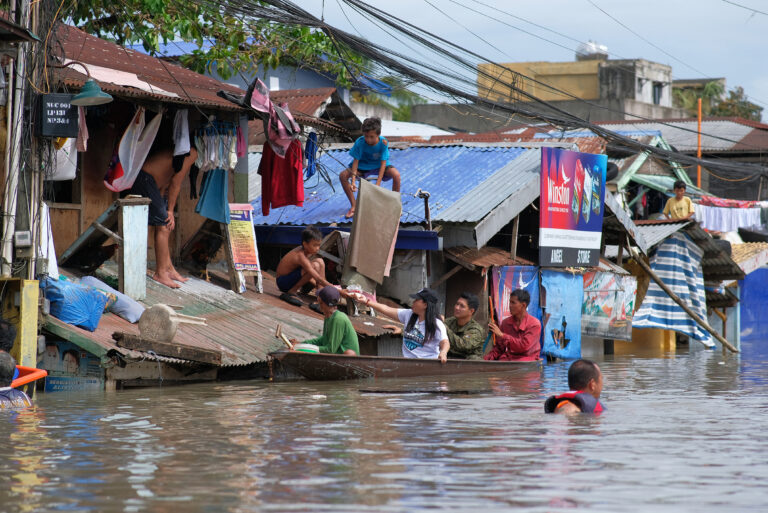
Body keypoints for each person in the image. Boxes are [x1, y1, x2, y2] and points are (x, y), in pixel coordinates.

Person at [126, 144, 198, 289]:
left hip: (152, 182)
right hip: (145, 179)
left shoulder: (185, 150)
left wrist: (162, 199)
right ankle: (161, 273)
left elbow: (167, 176)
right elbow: (176, 183)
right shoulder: (191, 152)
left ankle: (169, 268)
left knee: (167, 226)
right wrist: (170, 210)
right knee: (165, 224)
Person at [364, 288, 449, 363]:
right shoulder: (408, 314)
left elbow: (445, 342)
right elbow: (386, 309)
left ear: (425, 305)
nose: (413, 302)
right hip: (408, 363)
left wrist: (443, 352)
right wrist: (366, 301)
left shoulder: (437, 324)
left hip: (428, 364)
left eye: (416, 300)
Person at [339, 117, 401, 218]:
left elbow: (383, 164)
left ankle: (395, 206)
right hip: (363, 166)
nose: (368, 139)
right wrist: (353, 182)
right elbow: (355, 162)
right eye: (366, 136)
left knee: (396, 175)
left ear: (378, 134)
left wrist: (378, 184)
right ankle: (354, 206)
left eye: (372, 137)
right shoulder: (360, 142)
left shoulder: (383, 142)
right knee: (343, 175)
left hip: (379, 166)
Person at [275, 226, 331, 312]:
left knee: (320, 261)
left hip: (291, 278)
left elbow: (314, 277)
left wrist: (319, 287)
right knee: (315, 266)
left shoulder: (308, 252)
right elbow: (318, 278)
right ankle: (292, 291)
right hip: (283, 282)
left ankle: (321, 297)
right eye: (315, 245)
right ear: (305, 244)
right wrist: (338, 290)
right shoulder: (300, 255)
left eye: (319, 245)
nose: (317, 248)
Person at [291, 286, 359, 355]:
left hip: (345, 357)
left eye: (320, 301)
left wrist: (304, 347)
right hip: (336, 353)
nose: (317, 301)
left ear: (323, 303)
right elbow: (324, 339)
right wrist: (302, 344)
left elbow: (330, 350)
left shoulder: (338, 319)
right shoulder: (328, 316)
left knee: (349, 353)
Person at [484, 289, 541, 361]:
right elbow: (499, 348)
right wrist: (486, 359)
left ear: (523, 305)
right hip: (510, 358)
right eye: (509, 302)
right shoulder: (505, 323)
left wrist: (502, 335)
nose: (510, 306)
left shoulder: (534, 324)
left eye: (513, 303)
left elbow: (524, 346)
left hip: (528, 358)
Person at [443, 292, 485, 359]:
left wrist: (443, 327)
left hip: (467, 363)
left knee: (474, 359)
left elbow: (463, 345)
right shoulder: (450, 322)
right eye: (457, 304)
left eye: (462, 306)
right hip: (450, 359)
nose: (457, 307)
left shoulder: (476, 330)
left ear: (471, 311)